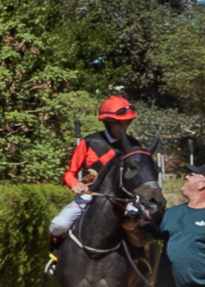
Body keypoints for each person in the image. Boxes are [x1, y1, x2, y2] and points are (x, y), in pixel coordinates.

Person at [52, 93, 145, 240]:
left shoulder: (134, 145)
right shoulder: (89, 142)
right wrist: (75, 185)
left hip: (124, 200)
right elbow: (70, 173)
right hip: (89, 197)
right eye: (119, 124)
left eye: (127, 122)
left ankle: (141, 260)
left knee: (142, 227)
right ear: (107, 122)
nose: (124, 127)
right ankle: (56, 260)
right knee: (58, 225)